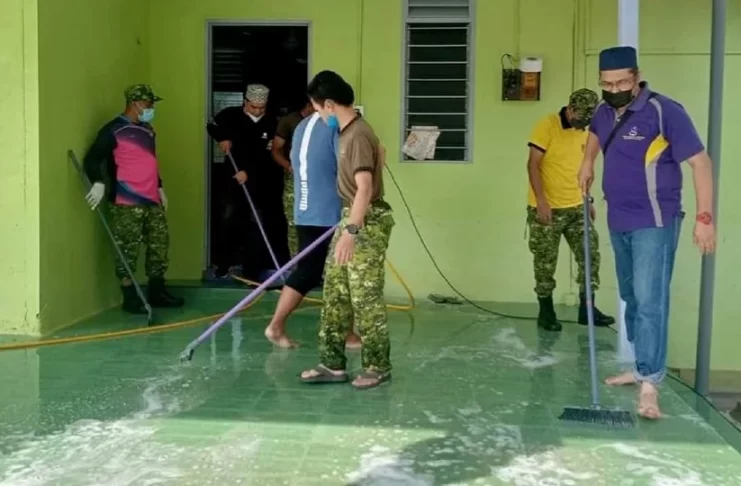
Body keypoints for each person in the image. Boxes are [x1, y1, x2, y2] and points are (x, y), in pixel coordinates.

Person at [578, 46, 716, 419]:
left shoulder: (664, 110)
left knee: (650, 300)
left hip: (656, 220)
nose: (614, 89)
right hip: (618, 218)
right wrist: (587, 162)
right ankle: (641, 368)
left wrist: (705, 218)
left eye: (622, 82)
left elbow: (701, 163)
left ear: (637, 78)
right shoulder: (604, 110)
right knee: (632, 298)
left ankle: (651, 383)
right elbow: (595, 134)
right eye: (607, 83)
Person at [299, 70, 395, 390]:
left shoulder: (356, 134)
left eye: (317, 109)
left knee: (365, 297)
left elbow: (364, 187)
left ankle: (377, 366)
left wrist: (352, 232)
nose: (318, 115)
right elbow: (381, 153)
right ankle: (333, 364)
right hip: (349, 215)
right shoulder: (348, 131)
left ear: (329, 104)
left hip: (364, 220)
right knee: (336, 293)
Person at [264, 108, 361, 350]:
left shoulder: (303, 126)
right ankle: (345, 334)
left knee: (310, 271)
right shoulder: (334, 127)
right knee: (338, 271)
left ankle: (277, 326)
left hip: (306, 209)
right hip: (328, 211)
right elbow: (346, 167)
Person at [83, 84, 184, 314]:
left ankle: (157, 292)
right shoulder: (113, 129)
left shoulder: (147, 129)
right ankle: (130, 297)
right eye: (148, 104)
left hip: (151, 198)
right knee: (127, 250)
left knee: (159, 245)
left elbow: (150, 161)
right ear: (134, 103)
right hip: (126, 201)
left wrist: (159, 187)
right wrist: (98, 182)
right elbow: (93, 158)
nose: (151, 108)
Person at [526, 88, 614, 332]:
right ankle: (546, 312)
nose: (583, 124)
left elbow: (583, 168)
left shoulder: (587, 129)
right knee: (545, 263)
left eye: (588, 120)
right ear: (571, 109)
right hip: (547, 209)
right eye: (581, 119)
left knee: (590, 255)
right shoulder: (547, 125)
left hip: (576, 206)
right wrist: (541, 200)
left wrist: (588, 200)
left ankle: (587, 310)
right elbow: (533, 165)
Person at [207, 84, 290, 282]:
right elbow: (211, 125)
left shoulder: (272, 122)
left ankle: (257, 268)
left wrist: (249, 173)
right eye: (254, 107)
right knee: (231, 220)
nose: (258, 111)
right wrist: (222, 138)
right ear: (245, 102)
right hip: (234, 179)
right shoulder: (230, 115)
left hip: (264, 181)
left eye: (262, 108)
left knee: (262, 223)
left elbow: (268, 155)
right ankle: (225, 264)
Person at [271, 98, 315, 257]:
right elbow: (276, 150)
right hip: (295, 178)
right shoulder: (290, 121)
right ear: (309, 105)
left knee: (318, 221)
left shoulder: (324, 122)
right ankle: (296, 261)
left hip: (318, 178)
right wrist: (289, 167)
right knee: (294, 220)